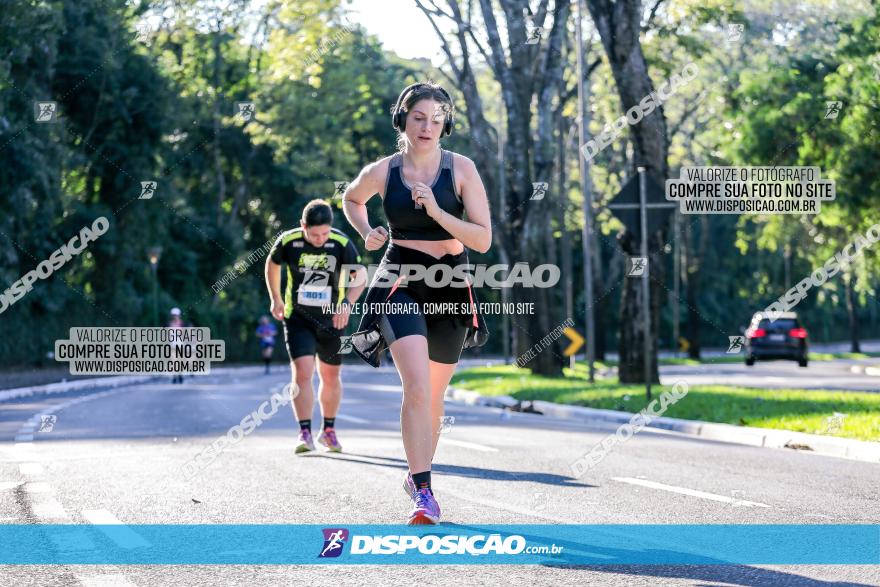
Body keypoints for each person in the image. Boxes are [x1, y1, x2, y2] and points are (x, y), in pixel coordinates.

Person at [342, 80, 491, 525]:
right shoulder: (384, 170)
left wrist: (440, 214)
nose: (428, 127)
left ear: (446, 126)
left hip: (449, 280)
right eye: (419, 117)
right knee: (418, 386)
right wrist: (366, 230)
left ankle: (416, 477)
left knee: (436, 398)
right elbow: (351, 198)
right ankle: (424, 491)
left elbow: (482, 239)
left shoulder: (461, 169)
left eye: (437, 120)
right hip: (399, 279)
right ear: (402, 120)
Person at [264, 199, 366, 455]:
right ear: (303, 226)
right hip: (297, 318)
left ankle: (328, 431)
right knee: (303, 373)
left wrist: (347, 304)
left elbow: (360, 277)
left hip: (332, 320)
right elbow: (272, 264)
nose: (320, 239)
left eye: (324, 233)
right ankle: (305, 432)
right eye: (314, 234)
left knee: (331, 376)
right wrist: (275, 298)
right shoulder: (289, 241)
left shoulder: (341, 243)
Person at [167, 307, 185, 384]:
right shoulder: (169, 324)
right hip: (172, 346)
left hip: (180, 345)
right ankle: (174, 376)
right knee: (173, 361)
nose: (175, 316)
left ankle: (180, 375)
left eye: (176, 315)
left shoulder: (182, 324)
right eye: (174, 315)